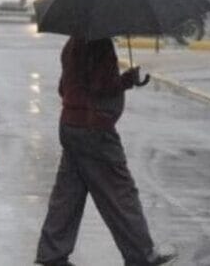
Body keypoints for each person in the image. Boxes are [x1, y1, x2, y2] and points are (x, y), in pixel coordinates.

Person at [35, 37, 176, 266]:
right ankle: (142, 255)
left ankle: (52, 254)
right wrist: (126, 81)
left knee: (68, 194)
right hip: (95, 130)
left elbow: (64, 88)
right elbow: (102, 85)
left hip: (71, 126)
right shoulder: (99, 44)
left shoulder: (73, 44)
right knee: (121, 192)